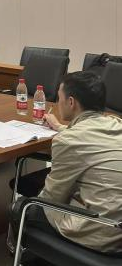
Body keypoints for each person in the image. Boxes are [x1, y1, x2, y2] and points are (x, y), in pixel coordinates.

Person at [10, 71, 122, 254]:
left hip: (104, 233)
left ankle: (31, 258)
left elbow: (52, 198)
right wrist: (60, 127)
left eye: (59, 98)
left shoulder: (69, 140)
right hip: (118, 226)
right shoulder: (116, 124)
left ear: (71, 102)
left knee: (23, 207)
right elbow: (90, 137)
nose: (57, 103)